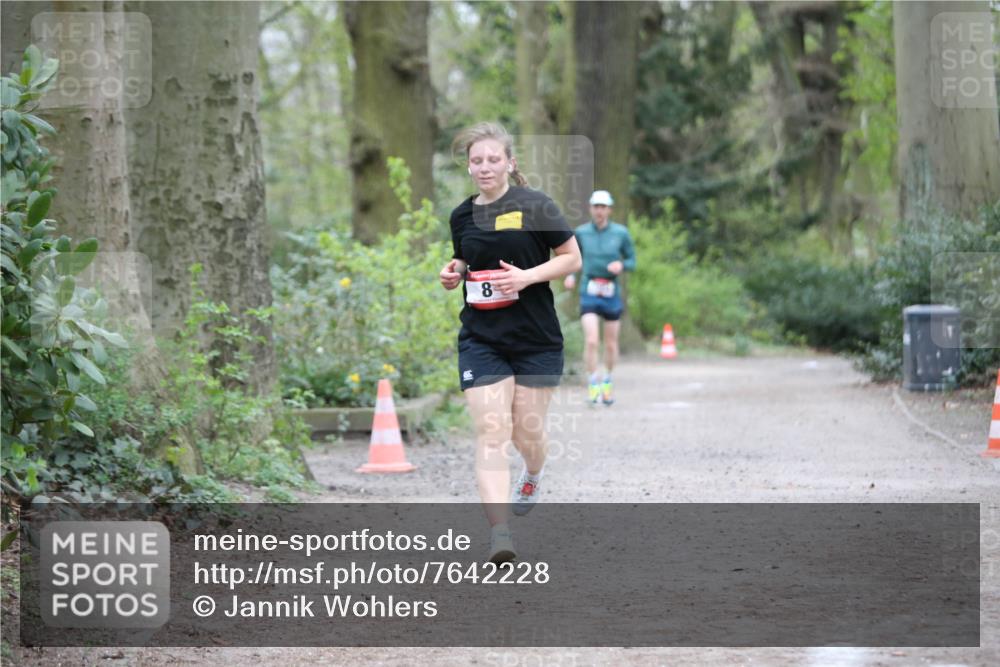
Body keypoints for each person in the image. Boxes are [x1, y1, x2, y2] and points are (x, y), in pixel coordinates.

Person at [439, 122, 582, 563]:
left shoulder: (535, 205)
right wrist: (454, 271)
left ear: (510, 163)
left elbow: (572, 258)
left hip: (535, 339)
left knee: (527, 431)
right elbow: (466, 258)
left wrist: (527, 277)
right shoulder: (462, 215)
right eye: (477, 160)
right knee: (491, 430)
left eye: (493, 159)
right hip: (482, 338)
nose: (485, 167)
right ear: (468, 166)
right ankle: (500, 534)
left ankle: (534, 470)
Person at [563, 190, 636, 405]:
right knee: (592, 340)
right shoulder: (582, 233)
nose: (599, 211)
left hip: (611, 293)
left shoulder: (621, 233)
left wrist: (621, 265)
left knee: (611, 344)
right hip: (589, 290)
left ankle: (608, 380)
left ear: (609, 210)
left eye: (603, 207)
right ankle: (593, 382)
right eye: (596, 206)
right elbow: (573, 258)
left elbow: (632, 260)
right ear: (590, 209)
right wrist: (570, 275)